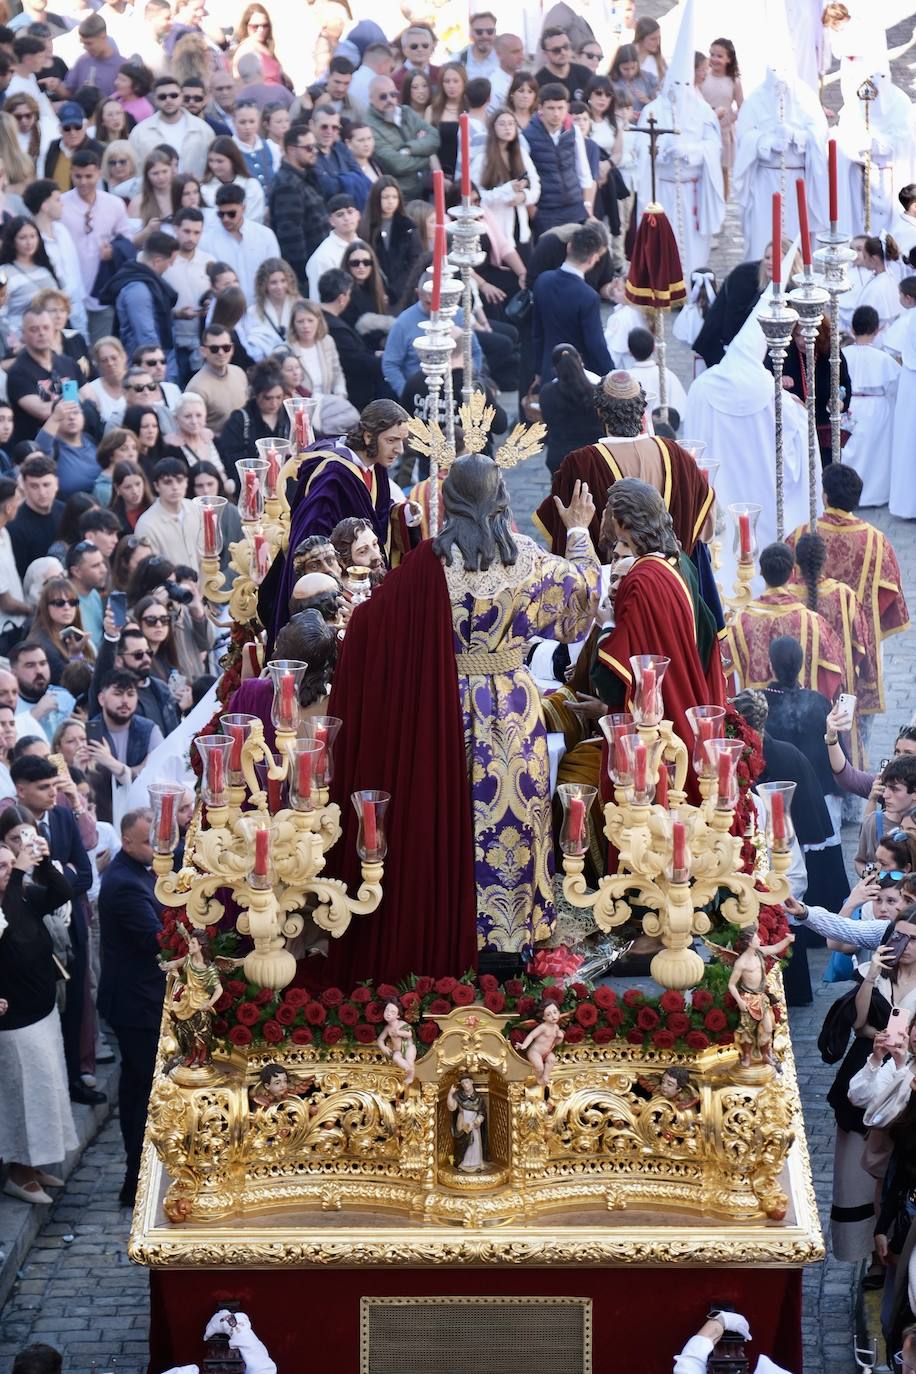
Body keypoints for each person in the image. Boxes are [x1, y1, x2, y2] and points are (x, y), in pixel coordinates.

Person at [326, 455, 598, 984]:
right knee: (514, 819)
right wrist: (581, 534)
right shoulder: (527, 560)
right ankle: (509, 943)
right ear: (501, 501)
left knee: (450, 817)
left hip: (441, 707)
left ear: (447, 503)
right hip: (513, 713)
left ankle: (454, 927)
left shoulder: (429, 564)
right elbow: (579, 609)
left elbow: (367, 621)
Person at [590, 478, 725, 801]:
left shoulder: (641, 579)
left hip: (656, 732)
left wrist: (607, 626)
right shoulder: (682, 563)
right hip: (689, 701)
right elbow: (707, 637)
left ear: (624, 520)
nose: (604, 518)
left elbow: (610, 680)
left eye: (608, 511)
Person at [270, 400, 411, 635]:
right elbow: (310, 542)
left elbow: (377, 514)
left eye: (401, 441)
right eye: (391, 441)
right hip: (337, 600)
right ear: (367, 437)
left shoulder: (375, 467)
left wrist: (403, 514)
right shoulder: (332, 475)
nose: (400, 450)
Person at [11, 752, 98, 1106]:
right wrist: (59, 877)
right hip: (29, 933)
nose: (52, 794)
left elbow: (85, 874)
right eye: (43, 788)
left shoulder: (62, 816)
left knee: (75, 1004)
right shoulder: (10, 825)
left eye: (53, 786)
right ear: (21, 790)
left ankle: (74, 1078)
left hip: (70, 927)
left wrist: (58, 877)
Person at [786, 462, 909, 713]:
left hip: (807, 649)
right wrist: (865, 625)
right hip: (858, 648)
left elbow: (783, 590)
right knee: (855, 731)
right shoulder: (876, 541)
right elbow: (888, 596)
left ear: (825, 496)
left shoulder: (800, 535)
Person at [0, 820, 76, 1205]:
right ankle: (19, 1172)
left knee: (48, 1091)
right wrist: (17, 873)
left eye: (6, 864)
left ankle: (38, 1162)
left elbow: (64, 891)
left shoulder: (24, 893)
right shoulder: (8, 898)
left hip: (41, 1011)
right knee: (25, 1098)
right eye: (0, 865)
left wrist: (44, 862)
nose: (7, 869)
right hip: (14, 1021)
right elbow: (8, 919)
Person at [97, 805, 163, 1205]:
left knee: (139, 1086)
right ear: (126, 842)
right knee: (138, 1088)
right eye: (148, 841)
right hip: (134, 1003)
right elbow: (156, 940)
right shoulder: (124, 883)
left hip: (142, 998)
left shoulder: (141, 869)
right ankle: (134, 1176)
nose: (156, 846)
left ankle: (140, 1172)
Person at [635, 3, 724, 282]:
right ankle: (663, 286)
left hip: (691, 188)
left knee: (692, 244)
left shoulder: (703, 111)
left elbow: (713, 145)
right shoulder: (653, 111)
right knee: (663, 239)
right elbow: (640, 146)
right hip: (661, 189)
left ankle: (691, 284)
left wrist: (691, 152)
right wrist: (660, 153)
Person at [728, 544, 844, 698]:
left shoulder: (739, 621)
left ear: (761, 572)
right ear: (792, 573)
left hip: (754, 716)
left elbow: (722, 669)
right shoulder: (813, 622)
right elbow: (833, 672)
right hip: (800, 716)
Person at [59, 150, 131, 343]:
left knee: (101, 347)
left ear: (98, 173)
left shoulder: (114, 204)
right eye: (78, 176)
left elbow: (126, 238)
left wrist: (114, 251)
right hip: (70, 291)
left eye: (89, 176)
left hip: (102, 289)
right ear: (71, 173)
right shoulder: (61, 204)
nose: (83, 182)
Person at [531, 224, 610, 383]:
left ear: (569, 247)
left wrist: (538, 369)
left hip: (549, 368)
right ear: (593, 258)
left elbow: (537, 333)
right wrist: (611, 373)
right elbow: (595, 344)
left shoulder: (543, 280)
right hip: (578, 375)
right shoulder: (588, 296)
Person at [842, 303, 899, 507]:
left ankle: (846, 496)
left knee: (849, 452)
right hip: (876, 406)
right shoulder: (884, 359)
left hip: (847, 404)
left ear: (853, 328)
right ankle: (874, 494)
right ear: (876, 330)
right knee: (876, 453)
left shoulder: (842, 354)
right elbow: (895, 386)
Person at [524, 83, 593, 237]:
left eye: (560, 108)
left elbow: (583, 169)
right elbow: (523, 176)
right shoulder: (527, 135)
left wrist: (587, 204)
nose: (556, 113)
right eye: (551, 108)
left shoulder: (572, 131)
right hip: (545, 210)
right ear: (541, 108)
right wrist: (533, 211)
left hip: (575, 206)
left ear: (567, 107)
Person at [318, 268, 390, 412]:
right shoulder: (335, 328)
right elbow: (357, 361)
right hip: (352, 398)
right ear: (342, 298)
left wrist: (374, 354)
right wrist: (389, 361)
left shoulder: (324, 320)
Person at [284, 298, 358, 435]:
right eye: (300, 321)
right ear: (293, 324)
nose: (306, 326)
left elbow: (337, 372)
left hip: (329, 408)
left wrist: (339, 395)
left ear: (318, 320)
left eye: (310, 320)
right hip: (303, 412)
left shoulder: (327, 342)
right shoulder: (286, 349)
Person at [266, 124, 324, 293]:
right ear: (291, 150)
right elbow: (291, 236)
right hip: (306, 275)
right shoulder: (287, 185)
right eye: (308, 148)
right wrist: (304, 276)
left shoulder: (306, 176)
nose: (314, 151)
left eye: (316, 147)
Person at [215, 361, 290, 489]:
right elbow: (231, 458)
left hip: (286, 486)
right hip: (253, 487)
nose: (274, 403)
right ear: (256, 395)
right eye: (268, 398)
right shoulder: (240, 420)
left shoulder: (288, 416)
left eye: (279, 397)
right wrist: (258, 461)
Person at [364, 74, 439, 201]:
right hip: (399, 197)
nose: (390, 100)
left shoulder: (406, 112)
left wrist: (409, 149)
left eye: (393, 94)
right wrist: (425, 158)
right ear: (371, 98)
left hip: (424, 189)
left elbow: (435, 138)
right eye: (383, 96)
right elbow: (396, 165)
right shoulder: (368, 127)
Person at [200, 182, 278, 302]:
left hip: (261, 310)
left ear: (243, 208)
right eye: (221, 214)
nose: (225, 219)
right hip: (225, 311)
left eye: (231, 214)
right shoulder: (206, 241)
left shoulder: (264, 236)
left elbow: (275, 273)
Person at [128, 74, 213, 179]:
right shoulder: (140, 132)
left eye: (173, 95)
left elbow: (211, 166)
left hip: (193, 192)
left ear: (181, 97)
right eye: (162, 97)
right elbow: (133, 169)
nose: (168, 100)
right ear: (155, 99)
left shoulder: (203, 129)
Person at [357, 177, 421, 309]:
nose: (390, 202)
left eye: (394, 197)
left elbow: (415, 261)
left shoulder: (407, 226)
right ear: (376, 198)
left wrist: (395, 290)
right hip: (373, 292)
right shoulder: (365, 227)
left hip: (403, 292)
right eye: (385, 197)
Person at [538, 344, 603, 474]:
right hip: (592, 456)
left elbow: (547, 421)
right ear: (581, 362)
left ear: (555, 368)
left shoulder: (546, 392)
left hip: (559, 458)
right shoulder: (597, 392)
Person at [133, 457, 203, 567]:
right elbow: (150, 569)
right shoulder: (146, 525)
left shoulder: (196, 509)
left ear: (186, 482)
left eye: (179, 480)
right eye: (167, 482)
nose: (175, 487)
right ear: (156, 486)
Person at [8, 453, 65, 579]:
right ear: (24, 487)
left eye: (46, 485)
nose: (42, 493)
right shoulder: (15, 525)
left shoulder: (65, 512)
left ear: (56, 484)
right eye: (34, 486)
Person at [186, 324, 249, 436]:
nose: (221, 353)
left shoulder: (239, 373)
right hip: (216, 446)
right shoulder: (196, 388)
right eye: (214, 349)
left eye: (226, 348)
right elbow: (192, 428)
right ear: (203, 351)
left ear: (232, 349)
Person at [306, 193, 362, 300]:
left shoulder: (363, 246)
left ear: (358, 215)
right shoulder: (322, 257)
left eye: (350, 212)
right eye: (340, 215)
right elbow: (318, 300)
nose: (346, 218)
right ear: (331, 221)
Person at [625, 326, 687, 418]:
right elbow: (682, 410)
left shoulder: (625, 379)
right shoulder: (668, 376)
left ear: (630, 352)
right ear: (654, 348)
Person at [609, 43, 656, 118]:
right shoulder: (610, 81)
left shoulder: (648, 78)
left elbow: (661, 106)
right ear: (617, 66)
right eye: (625, 69)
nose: (630, 72)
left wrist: (647, 101)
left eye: (633, 68)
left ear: (638, 64)